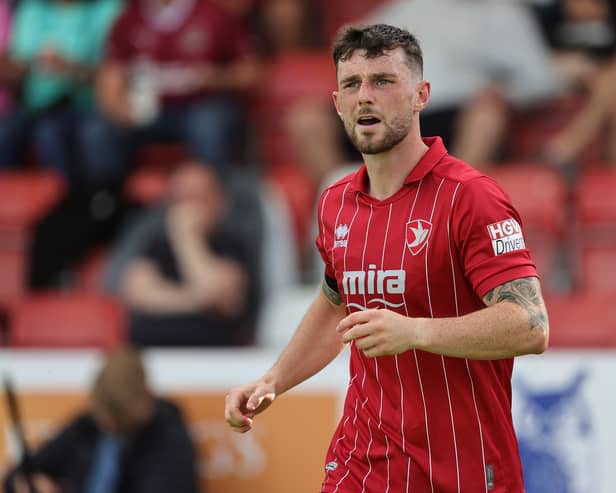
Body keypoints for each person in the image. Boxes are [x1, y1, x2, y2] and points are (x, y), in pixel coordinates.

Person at [224, 24, 550, 492]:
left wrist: (415, 331)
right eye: (352, 85)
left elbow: (531, 324)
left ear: (422, 95)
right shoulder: (335, 201)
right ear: (337, 104)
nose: (365, 97)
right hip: (363, 463)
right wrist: (272, 380)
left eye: (383, 81)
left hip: (464, 467)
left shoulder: (471, 197)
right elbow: (336, 302)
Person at [79, 0, 261, 188]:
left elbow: (252, 73)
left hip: (201, 106)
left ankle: (215, 201)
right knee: (99, 129)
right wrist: (118, 107)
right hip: (145, 109)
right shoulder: (129, 18)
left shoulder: (216, 14)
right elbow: (111, 74)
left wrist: (218, 78)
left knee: (208, 124)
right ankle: (107, 205)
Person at [3, 346, 200, 493]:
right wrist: (31, 484)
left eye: (118, 415)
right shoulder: (88, 426)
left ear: (143, 402)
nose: (109, 423)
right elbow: (17, 475)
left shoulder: (168, 434)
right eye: (104, 413)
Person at [118, 162, 260, 347]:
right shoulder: (157, 245)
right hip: (154, 351)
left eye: (197, 198)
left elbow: (217, 292)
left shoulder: (233, 244)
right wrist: (195, 300)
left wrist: (186, 237)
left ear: (220, 203)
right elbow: (138, 294)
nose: (187, 208)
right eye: (180, 199)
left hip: (214, 358)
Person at [0, 0, 122, 182]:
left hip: (88, 106)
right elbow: (19, 63)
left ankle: (67, 204)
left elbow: (111, 70)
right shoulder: (33, 8)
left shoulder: (108, 8)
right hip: (37, 105)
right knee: (4, 133)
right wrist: (15, 67)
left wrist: (69, 68)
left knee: (50, 133)